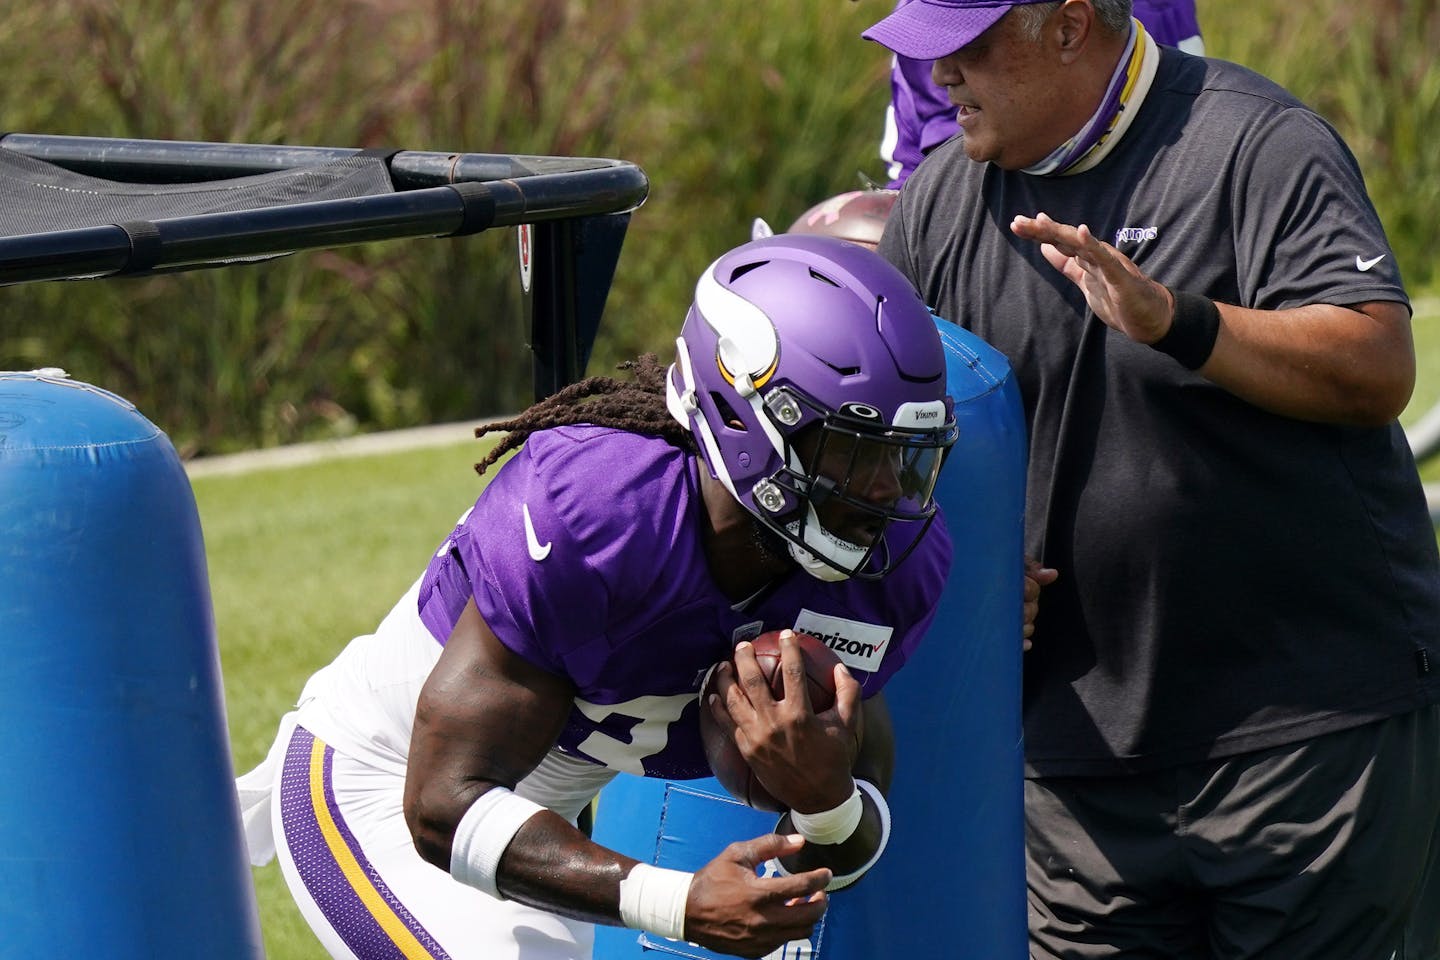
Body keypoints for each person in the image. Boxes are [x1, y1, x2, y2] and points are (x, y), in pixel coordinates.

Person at [862, 1, 1440, 958]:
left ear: (1070, 25)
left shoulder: (1257, 142)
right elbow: (896, 450)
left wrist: (1179, 322)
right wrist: (954, 572)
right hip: (1073, 769)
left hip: (1304, 743)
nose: (939, 80)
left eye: (964, 48)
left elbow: (1378, 367)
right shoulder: (937, 204)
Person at [234, 234, 960, 960]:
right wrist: (675, 903)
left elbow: (843, 852)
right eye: (857, 449)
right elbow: (441, 808)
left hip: (535, 821)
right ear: (748, 420)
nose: (885, 491)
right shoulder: (600, 510)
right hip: (385, 782)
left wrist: (825, 796)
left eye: (905, 454)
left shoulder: (886, 572)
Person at [866, 0, 1203, 188]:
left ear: (1070, 31)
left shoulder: (1123, 25)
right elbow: (910, 173)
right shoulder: (920, 17)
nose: (940, 74)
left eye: (971, 47)